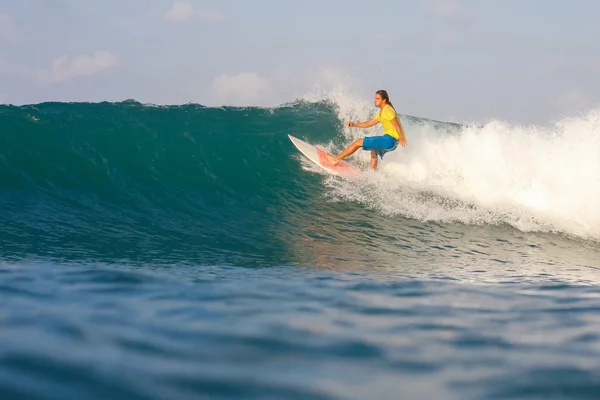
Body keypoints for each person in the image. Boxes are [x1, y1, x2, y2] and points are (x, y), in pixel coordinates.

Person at [328, 90, 408, 170]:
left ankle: (335, 159)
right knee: (373, 151)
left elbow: (396, 125)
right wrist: (354, 124)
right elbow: (369, 123)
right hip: (393, 143)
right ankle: (372, 174)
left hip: (390, 139)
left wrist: (401, 138)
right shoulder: (382, 112)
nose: (375, 100)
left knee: (358, 142)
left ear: (384, 100)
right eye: (374, 98)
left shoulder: (388, 110)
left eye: (377, 98)